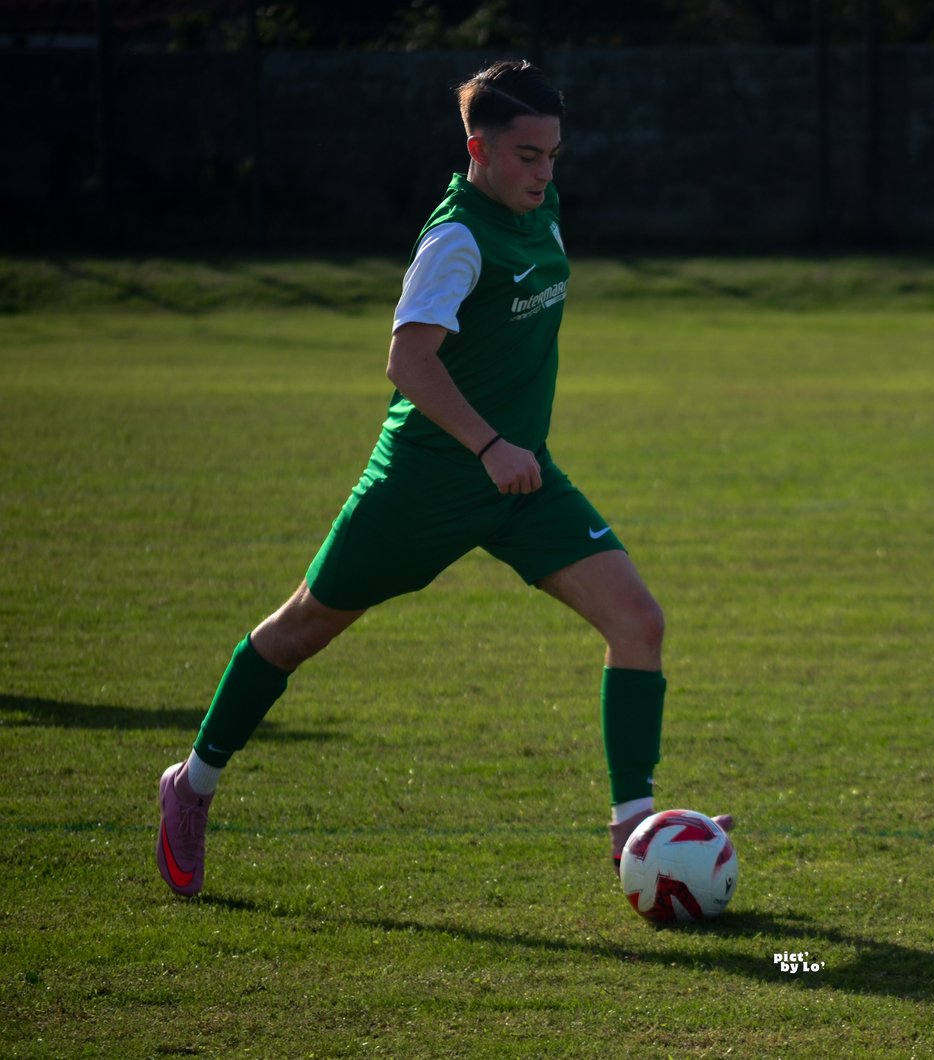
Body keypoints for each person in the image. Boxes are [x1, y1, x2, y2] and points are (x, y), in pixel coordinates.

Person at [155, 60, 728, 897]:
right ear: (478, 149)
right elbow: (408, 360)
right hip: (424, 485)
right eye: (528, 156)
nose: (545, 172)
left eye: (554, 155)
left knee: (639, 621)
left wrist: (508, 451)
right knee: (301, 628)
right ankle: (192, 783)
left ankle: (632, 831)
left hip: (523, 483)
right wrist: (489, 444)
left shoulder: (539, 210)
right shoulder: (456, 239)